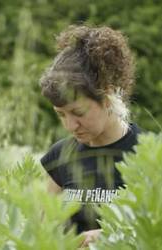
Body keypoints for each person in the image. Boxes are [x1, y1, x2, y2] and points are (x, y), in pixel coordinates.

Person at [39, 25, 141, 247]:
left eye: (78, 112)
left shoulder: (152, 154)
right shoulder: (60, 156)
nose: (70, 126)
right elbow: (41, 228)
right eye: (61, 115)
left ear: (107, 96)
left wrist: (110, 237)